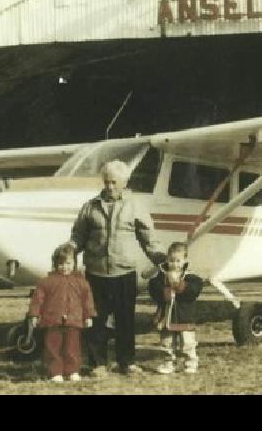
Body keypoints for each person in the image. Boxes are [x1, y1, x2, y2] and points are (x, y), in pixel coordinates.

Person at [69, 160, 163, 376]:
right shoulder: (90, 207)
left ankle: (127, 363)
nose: (109, 187)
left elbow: (149, 238)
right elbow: (78, 235)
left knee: (125, 320)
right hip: (96, 272)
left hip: (124, 272)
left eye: (114, 182)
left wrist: (160, 257)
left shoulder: (136, 206)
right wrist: (70, 249)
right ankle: (97, 364)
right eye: (106, 182)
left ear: (124, 182)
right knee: (96, 320)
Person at [28, 243, 96, 383]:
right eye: (61, 264)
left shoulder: (81, 282)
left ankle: (72, 371)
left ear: (75, 264)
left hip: (74, 320)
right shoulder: (46, 282)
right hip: (53, 320)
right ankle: (55, 371)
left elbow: (87, 300)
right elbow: (37, 300)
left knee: (73, 348)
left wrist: (88, 316)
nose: (65, 267)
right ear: (55, 264)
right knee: (53, 348)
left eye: (69, 263)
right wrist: (34, 315)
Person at [148, 242, 204, 374]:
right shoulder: (161, 276)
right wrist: (165, 291)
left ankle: (190, 362)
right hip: (167, 316)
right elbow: (153, 288)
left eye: (178, 261)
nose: (175, 264)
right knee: (167, 343)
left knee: (188, 343)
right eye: (172, 260)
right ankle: (168, 363)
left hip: (185, 316)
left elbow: (194, 291)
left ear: (185, 261)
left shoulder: (190, 277)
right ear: (167, 259)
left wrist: (180, 285)